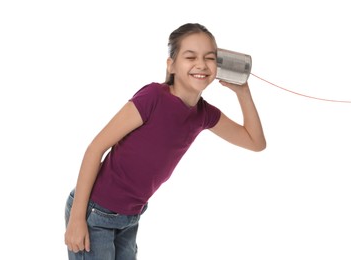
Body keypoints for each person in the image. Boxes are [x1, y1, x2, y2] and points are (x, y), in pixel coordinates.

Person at [64, 22, 266, 260]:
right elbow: (95, 148)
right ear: (171, 65)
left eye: (210, 58)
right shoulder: (153, 97)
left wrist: (243, 92)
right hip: (94, 211)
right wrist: (77, 218)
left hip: (130, 217)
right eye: (190, 57)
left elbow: (255, 142)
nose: (201, 64)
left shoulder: (204, 114)